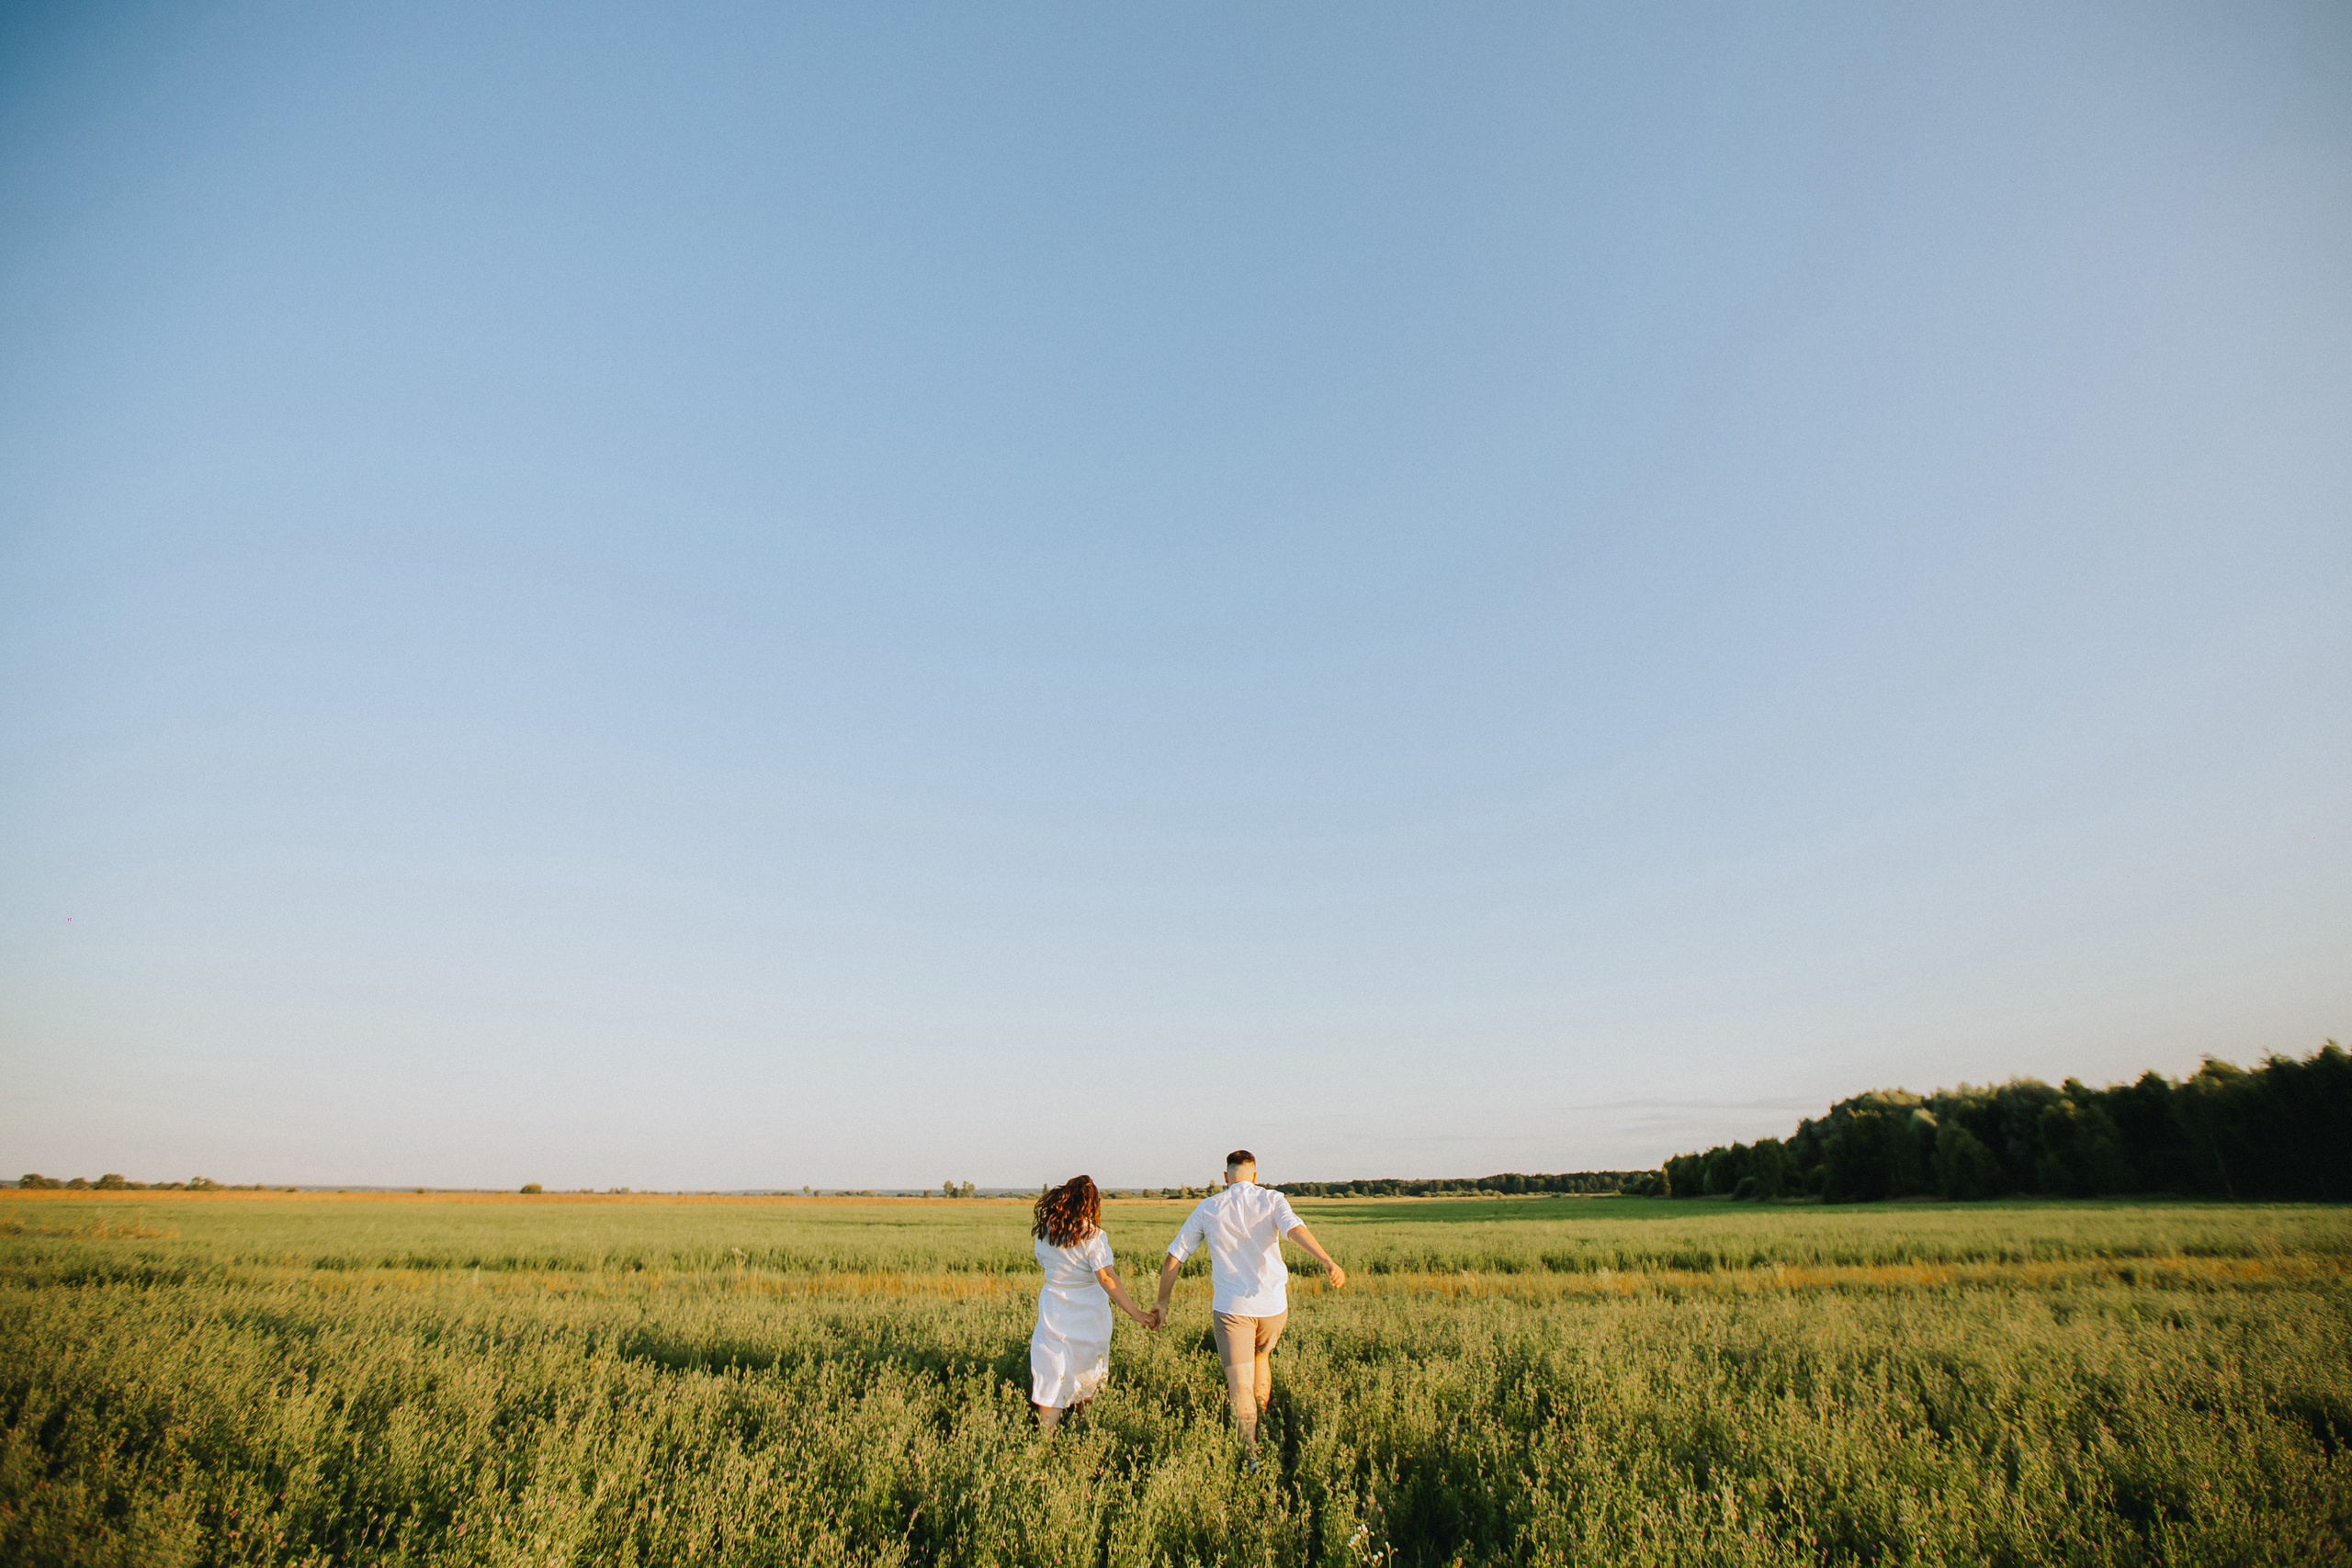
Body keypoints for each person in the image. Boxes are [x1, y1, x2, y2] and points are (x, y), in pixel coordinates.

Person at [1152, 1150, 1346, 1452]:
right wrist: (1327, 1261)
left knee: (1239, 1384)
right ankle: (1262, 1425)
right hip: (1272, 1306)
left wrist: (1162, 1303)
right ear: (1255, 1177)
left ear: (1226, 1177)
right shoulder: (1272, 1200)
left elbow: (1173, 1257)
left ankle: (1250, 1455)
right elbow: (1294, 1230)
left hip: (1233, 1310)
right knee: (1261, 1359)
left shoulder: (1208, 1208)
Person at [1029, 1173, 1156, 1436]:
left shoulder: (1045, 1234)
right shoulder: (1092, 1236)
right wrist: (1135, 1312)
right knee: (1088, 1369)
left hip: (1054, 1309)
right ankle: (1085, 1430)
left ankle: (1045, 1438)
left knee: (1052, 1370)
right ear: (1091, 1204)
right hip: (1088, 1312)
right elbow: (1106, 1278)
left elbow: (1045, 1265)